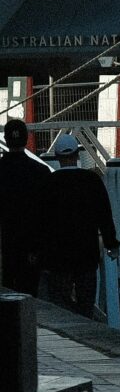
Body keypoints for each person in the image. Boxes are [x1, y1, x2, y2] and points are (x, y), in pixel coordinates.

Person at [39, 134, 117, 319]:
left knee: (60, 303)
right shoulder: (91, 181)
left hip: (58, 257)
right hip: (86, 254)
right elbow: (104, 215)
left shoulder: (49, 184)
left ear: (58, 158)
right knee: (86, 303)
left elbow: (41, 221)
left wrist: (39, 252)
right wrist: (111, 243)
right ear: (77, 155)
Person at [0, 120, 51, 296]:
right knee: (29, 294)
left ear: (6, 139)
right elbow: (45, 214)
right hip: (31, 246)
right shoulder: (41, 172)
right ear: (27, 139)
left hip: (4, 243)